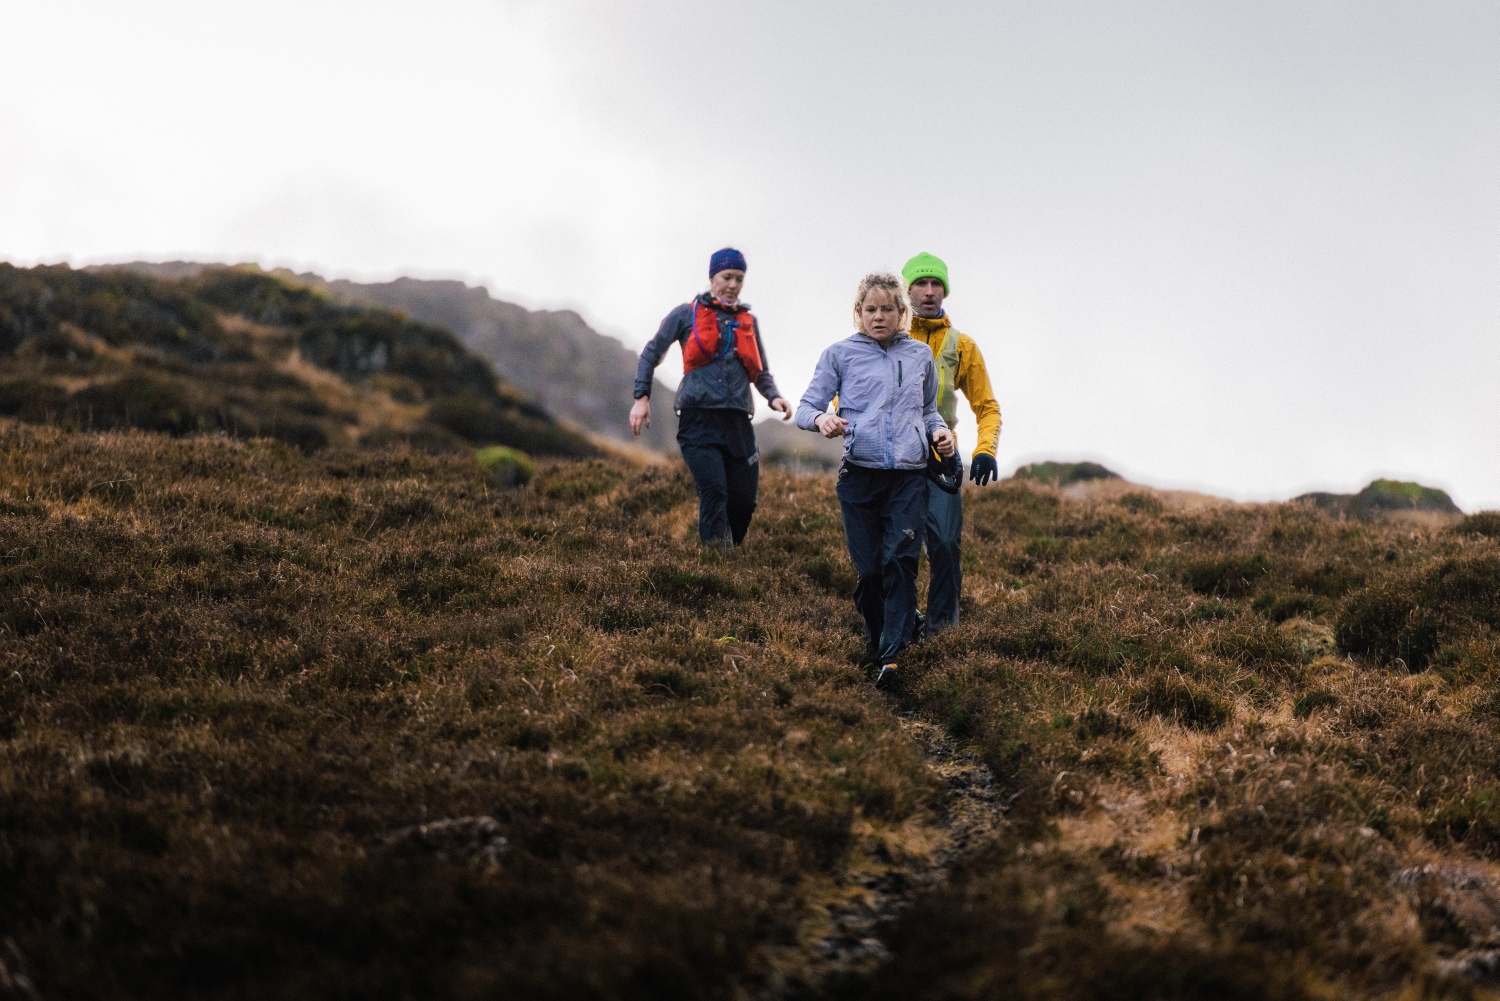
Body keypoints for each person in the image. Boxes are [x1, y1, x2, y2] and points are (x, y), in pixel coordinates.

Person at [796, 273, 955, 691]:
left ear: (902, 313)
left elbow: (928, 411)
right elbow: (806, 407)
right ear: (858, 313)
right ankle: (881, 635)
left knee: (900, 562)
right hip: (859, 478)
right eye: (871, 309)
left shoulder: (920, 356)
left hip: (908, 478)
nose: (879, 317)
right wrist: (822, 418)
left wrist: (942, 434)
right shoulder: (839, 355)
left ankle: (893, 656)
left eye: (888, 309)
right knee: (869, 573)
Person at [631, 247, 792, 547]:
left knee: (745, 501)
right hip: (698, 420)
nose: (733, 285)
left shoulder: (749, 322)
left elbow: (761, 372)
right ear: (712, 277)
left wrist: (774, 397)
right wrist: (642, 397)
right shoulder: (685, 314)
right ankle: (717, 566)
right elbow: (650, 354)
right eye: (727, 277)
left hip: (738, 422)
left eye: (739, 279)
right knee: (715, 493)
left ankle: (725, 555)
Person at [901, 252, 1002, 635]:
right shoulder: (889, 336)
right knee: (897, 550)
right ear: (906, 289)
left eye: (936, 284)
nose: (929, 292)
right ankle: (900, 622)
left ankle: (942, 634)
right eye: (921, 284)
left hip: (942, 461)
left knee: (944, 545)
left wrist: (984, 449)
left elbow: (987, 407)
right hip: (893, 460)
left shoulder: (962, 346)